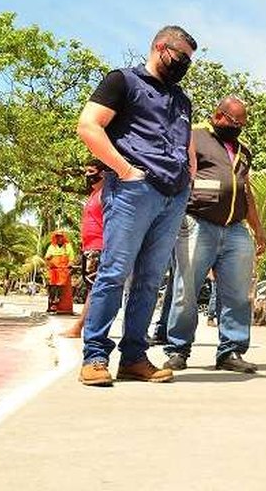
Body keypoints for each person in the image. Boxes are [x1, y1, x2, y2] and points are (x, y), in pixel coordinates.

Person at [76, 25, 198, 386]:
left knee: (149, 281)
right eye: (180, 57)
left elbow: (185, 144)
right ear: (161, 47)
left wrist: (186, 182)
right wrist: (126, 170)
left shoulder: (182, 99)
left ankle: (134, 357)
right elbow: (88, 126)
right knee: (114, 274)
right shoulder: (123, 82)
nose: (184, 65)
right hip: (133, 190)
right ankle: (95, 356)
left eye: (189, 61)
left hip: (172, 196)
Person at [163, 97, 266, 373]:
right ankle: (178, 349)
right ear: (218, 116)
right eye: (235, 123)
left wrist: (258, 229)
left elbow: (245, 191)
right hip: (198, 222)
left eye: (243, 124)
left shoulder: (244, 151)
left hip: (235, 230)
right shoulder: (194, 137)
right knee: (187, 290)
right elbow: (178, 175)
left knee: (237, 294)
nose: (239, 128)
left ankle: (231, 351)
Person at [62, 159, 107, 338]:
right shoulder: (94, 194)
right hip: (89, 248)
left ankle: (79, 327)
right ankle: (84, 326)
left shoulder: (105, 193)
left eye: (90, 171)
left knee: (94, 289)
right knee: (92, 287)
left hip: (99, 247)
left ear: (102, 173)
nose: (87, 175)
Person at [44, 231, 76, 313]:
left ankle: (57, 302)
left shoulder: (68, 246)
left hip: (63, 269)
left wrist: (70, 264)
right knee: (52, 286)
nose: (59, 238)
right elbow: (47, 257)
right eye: (57, 237)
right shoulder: (52, 246)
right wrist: (48, 258)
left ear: (63, 237)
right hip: (53, 269)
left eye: (61, 236)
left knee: (60, 286)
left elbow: (71, 258)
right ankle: (51, 304)